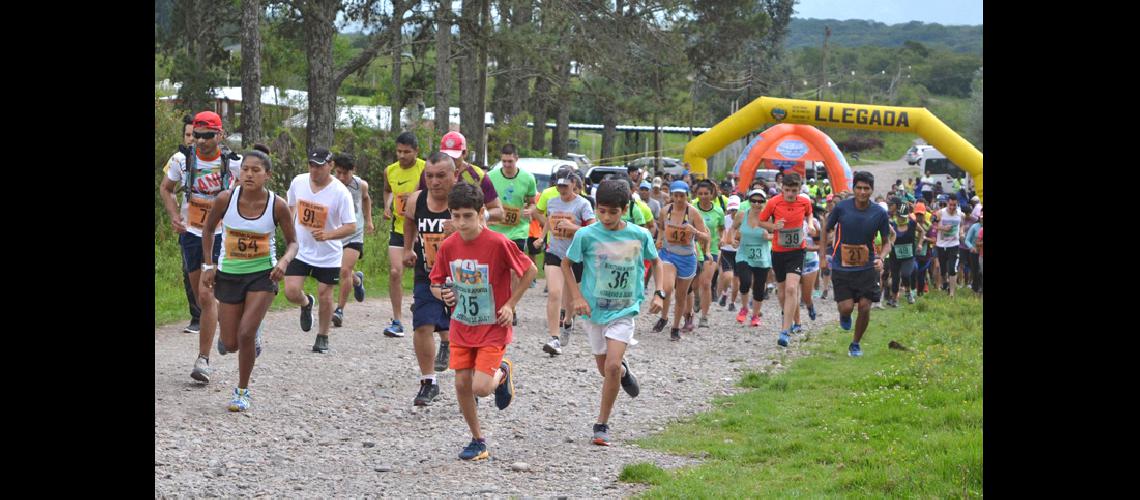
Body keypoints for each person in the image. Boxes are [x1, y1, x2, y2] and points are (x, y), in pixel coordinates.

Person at [431, 182, 538, 461]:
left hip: (492, 326)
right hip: (462, 325)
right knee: (461, 384)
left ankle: (502, 372)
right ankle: (478, 440)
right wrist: (443, 293)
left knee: (481, 387)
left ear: (481, 213)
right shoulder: (448, 247)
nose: (461, 223)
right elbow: (436, 282)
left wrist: (510, 304)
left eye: (468, 216)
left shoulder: (498, 243)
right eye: (455, 216)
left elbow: (530, 271)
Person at [562, 180, 663, 446]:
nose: (606, 217)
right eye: (602, 211)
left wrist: (659, 293)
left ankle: (601, 424)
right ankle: (624, 374)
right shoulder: (586, 235)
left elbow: (656, 261)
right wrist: (576, 297)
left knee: (612, 365)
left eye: (613, 212)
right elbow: (566, 264)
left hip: (624, 310)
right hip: (594, 312)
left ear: (625, 209)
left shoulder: (639, 235)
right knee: (605, 369)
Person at [201, 148, 299, 411]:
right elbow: (208, 229)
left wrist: (284, 262)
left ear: (267, 175)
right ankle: (249, 336)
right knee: (231, 343)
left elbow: (293, 242)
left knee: (245, 333)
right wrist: (208, 264)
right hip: (230, 274)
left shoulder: (277, 205)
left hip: (262, 274)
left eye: (256, 170)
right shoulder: (225, 199)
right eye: (245, 169)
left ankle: (242, 391)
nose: (249, 174)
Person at [159, 110, 243, 383]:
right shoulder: (181, 160)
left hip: (222, 234)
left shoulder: (234, 163)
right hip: (192, 233)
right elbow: (166, 188)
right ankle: (224, 327)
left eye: (208, 135)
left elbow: (250, 190)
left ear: (220, 135)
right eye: (197, 135)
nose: (202, 140)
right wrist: (174, 215)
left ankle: (203, 359)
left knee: (207, 297)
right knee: (200, 297)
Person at [284, 148, 357, 354]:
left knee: (325, 295)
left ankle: (323, 336)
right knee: (290, 291)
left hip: (328, 253)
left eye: (320, 166)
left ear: (330, 165)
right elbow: (290, 205)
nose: (315, 170)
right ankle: (306, 303)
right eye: (311, 165)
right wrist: (290, 230)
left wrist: (328, 235)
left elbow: (350, 226)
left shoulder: (340, 192)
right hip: (301, 248)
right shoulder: (299, 181)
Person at [402, 152, 459, 404]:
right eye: (429, 176)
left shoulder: (463, 201)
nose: (434, 182)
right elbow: (409, 220)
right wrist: (407, 248)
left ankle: (470, 380)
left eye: (441, 176)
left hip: (462, 278)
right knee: (422, 324)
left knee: (465, 330)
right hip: (427, 275)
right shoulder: (417, 200)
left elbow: (484, 225)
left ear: (454, 176)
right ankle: (429, 382)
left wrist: (461, 227)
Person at [822, 171, 892, 358]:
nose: (862, 192)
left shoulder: (879, 212)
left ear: (871, 190)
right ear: (853, 189)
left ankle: (855, 344)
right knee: (846, 307)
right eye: (859, 188)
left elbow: (887, 242)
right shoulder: (842, 208)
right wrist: (823, 256)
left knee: (864, 306)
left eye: (866, 188)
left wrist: (881, 258)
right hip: (841, 266)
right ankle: (844, 315)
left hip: (867, 267)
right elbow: (826, 229)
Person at [532, 172, 595, 355]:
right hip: (555, 252)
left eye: (565, 187)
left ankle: (568, 321)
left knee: (569, 300)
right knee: (554, 293)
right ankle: (554, 338)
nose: (562, 190)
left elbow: (593, 230)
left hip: (575, 255)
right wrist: (541, 238)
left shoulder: (583, 204)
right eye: (559, 187)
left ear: (574, 184)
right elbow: (550, 222)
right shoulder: (552, 202)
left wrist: (573, 227)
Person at [755, 172, 814, 347]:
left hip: (797, 251)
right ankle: (795, 320)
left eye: (794, 190)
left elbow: (809, 214)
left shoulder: (804, 201)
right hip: (779, 251)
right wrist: (773, 226)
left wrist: (810, 224)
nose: (790, 194)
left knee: (791, 288)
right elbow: (760, 221)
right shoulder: (773, 202)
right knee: (782, 292)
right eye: (787, 190)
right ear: (782, 188)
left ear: (799, 189)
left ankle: (784, 331)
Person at [650, 181, 710, 341]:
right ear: (671, 195)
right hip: (668, 254)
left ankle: (675, 327)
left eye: (681, 196)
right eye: (675, 195)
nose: (678, 199)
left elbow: (706, 236)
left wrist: (695, 231)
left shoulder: (693, 213)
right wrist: (660, 239)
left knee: (681, 295)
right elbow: (662, 227)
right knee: (667, 287)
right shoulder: (665, 211)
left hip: (687, 258)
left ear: (687, 195)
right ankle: (663, 318)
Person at [487, 143, 538, 324]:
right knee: (495, 269)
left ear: (516, 159)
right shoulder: (491, 177)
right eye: (504, 161)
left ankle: (512, 307)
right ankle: (493, 304)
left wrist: (530, 210)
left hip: (518, 229)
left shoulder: (527, 178)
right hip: (495, 229)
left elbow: (532, 202)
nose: (507, 165)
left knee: (515, 270)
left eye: (510, 161)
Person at [381, 132, 426, 337]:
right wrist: (387, 205)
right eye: (399, 151)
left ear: (416, 151)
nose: (402, 155)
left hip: (424, 229)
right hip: (399, 229)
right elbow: (387, 190)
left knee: (425, 273)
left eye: (407, 152)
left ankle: (423, 305)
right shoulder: (390, 170)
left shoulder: (426, 169)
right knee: (395, 272)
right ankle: (397, 320)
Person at [330, 153, 373, 328]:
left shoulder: (360, 185)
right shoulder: (329, 184)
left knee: (344, 270)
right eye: (338, 172)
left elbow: (366, 199)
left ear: (352, 171)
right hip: (335, 233)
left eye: (344, 173)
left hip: (354, 232)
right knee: (341, 270)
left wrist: (368, 220)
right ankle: (357, 280)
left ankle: (339, 310)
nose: (340, 177)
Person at [731, 189, 772, 328]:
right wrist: (733, 240)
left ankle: (755, 315)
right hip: (744, 254)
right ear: (749, 201)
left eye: (760, 201)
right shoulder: (741, 215)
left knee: (759, 288)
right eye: (753, 200)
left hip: (762, 257)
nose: (756, 204)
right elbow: (732, 229)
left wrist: (769, 236)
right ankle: (744, 308)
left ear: (764, 203)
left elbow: (779, 235)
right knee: (745, 281)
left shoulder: (769, 218)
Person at [691, 180, 726, 328]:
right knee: (694, 283)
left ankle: (704, 317)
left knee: (706, 283)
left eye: (706, 193)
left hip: (711, 250)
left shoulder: (718, 210)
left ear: (712, 194)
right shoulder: (692, 209)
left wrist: (723, 239)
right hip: (693, 249)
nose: (704, 196)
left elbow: (722, 228)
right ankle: (696, 297)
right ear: (696, 194)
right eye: (700, 194)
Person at [935, 195, 964, 297]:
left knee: (952, 269)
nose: (952, 207)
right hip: (941, 245)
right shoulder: (940, 213)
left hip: (954, 245)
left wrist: (961, 233)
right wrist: (943, 228)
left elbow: (962, 224)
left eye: (954, 205)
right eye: (950, 205)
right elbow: (934, 226)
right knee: (943, 271)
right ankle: (945, 284)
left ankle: (951, 294)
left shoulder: (960, 214)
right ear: (947, 203)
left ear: (957, 204)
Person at [717, 196, 741, 311]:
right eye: (732, 209)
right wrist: (721, 240)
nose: (734, 212)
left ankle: (732, 302)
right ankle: (725, 293)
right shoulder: (725, 219)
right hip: (727, 251)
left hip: (740, 253)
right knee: (728, 276)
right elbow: (721, 232)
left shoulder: (744, 220)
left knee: (736, 281)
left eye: (735, 209)